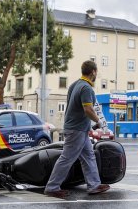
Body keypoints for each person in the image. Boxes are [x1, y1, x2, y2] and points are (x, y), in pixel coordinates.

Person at [44, 60, 110, 198]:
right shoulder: (86, 88)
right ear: (93, 72)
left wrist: (91, 126)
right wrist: (99, 121)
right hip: (76, 130)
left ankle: (94, 185)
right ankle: (52, 187)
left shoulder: (74, 85)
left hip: (78, 129)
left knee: (88, 156)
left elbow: (74, 109)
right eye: (96, 72)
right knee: (67, 157)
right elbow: (88, 109)